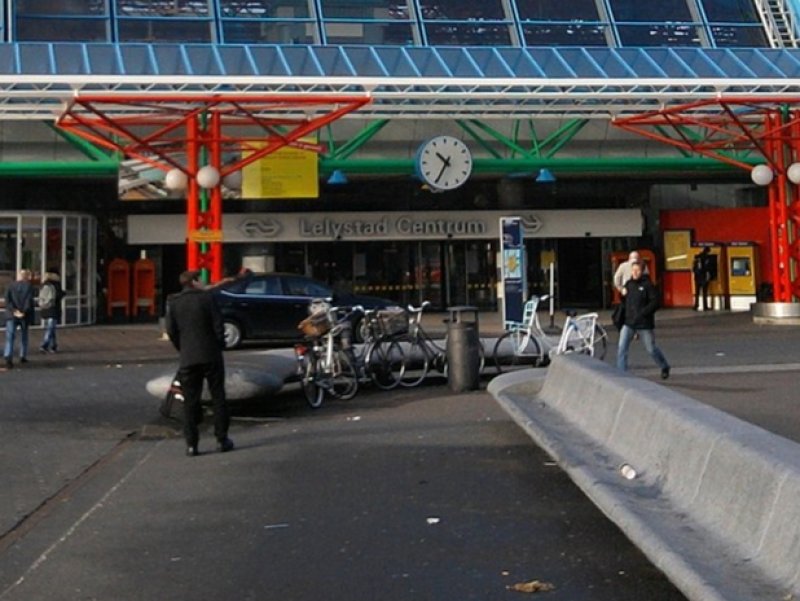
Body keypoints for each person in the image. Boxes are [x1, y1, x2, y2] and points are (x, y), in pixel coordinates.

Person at [165, 270, 233, 457]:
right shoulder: (207, 299)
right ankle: (221, 439)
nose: (204, 283)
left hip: (188, 357)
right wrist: (220, 344)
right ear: (194, 282)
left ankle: (192, 445)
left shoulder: (175, 303)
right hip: (211, 355)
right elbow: (218, 325)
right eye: (201, 279)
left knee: (190, 401)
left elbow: (171, 331)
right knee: (218, 396)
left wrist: (182, 348)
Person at [616, 261, 671, 380]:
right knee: (622, 348)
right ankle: (622, 374)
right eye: (633, 270)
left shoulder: (648, 285)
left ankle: (664, 366)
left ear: (642, 271)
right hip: (629, 323)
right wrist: (622, 294)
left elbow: (655, 302)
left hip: (644, 324)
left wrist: (643, 313)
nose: (635, 273)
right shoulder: (629, 284)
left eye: (637, 270)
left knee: (651, 349)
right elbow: (625, 301)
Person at [4, 269, 35, 369]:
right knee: (24, 335)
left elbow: (7, 300)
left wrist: (14, 310)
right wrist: (23, 312)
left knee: (10, 336)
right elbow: (29, 301)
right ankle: (23, 355)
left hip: (11, 315)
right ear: (26, 276)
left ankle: (8, 356)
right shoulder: (29, 286)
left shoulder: (10, 286)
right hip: (24, 316)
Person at [39, 269, 66, 354]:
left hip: (45, 308)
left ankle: (54, 345)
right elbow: (59, 295)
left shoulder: (43, 285)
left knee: (52, 328)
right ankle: (45, 344)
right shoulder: (56, 285)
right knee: (50, 328)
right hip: (53, 309)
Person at [692, 247, 714, 311]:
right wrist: (708, 276)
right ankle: (705, 306)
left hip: (697, 278)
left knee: (697, 293)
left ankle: (696, 305)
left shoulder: (697, 257)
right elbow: (707, 268)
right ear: (707, 251)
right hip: (703, 277)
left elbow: (693, 268)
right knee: (704, 292)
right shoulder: (706, 258)